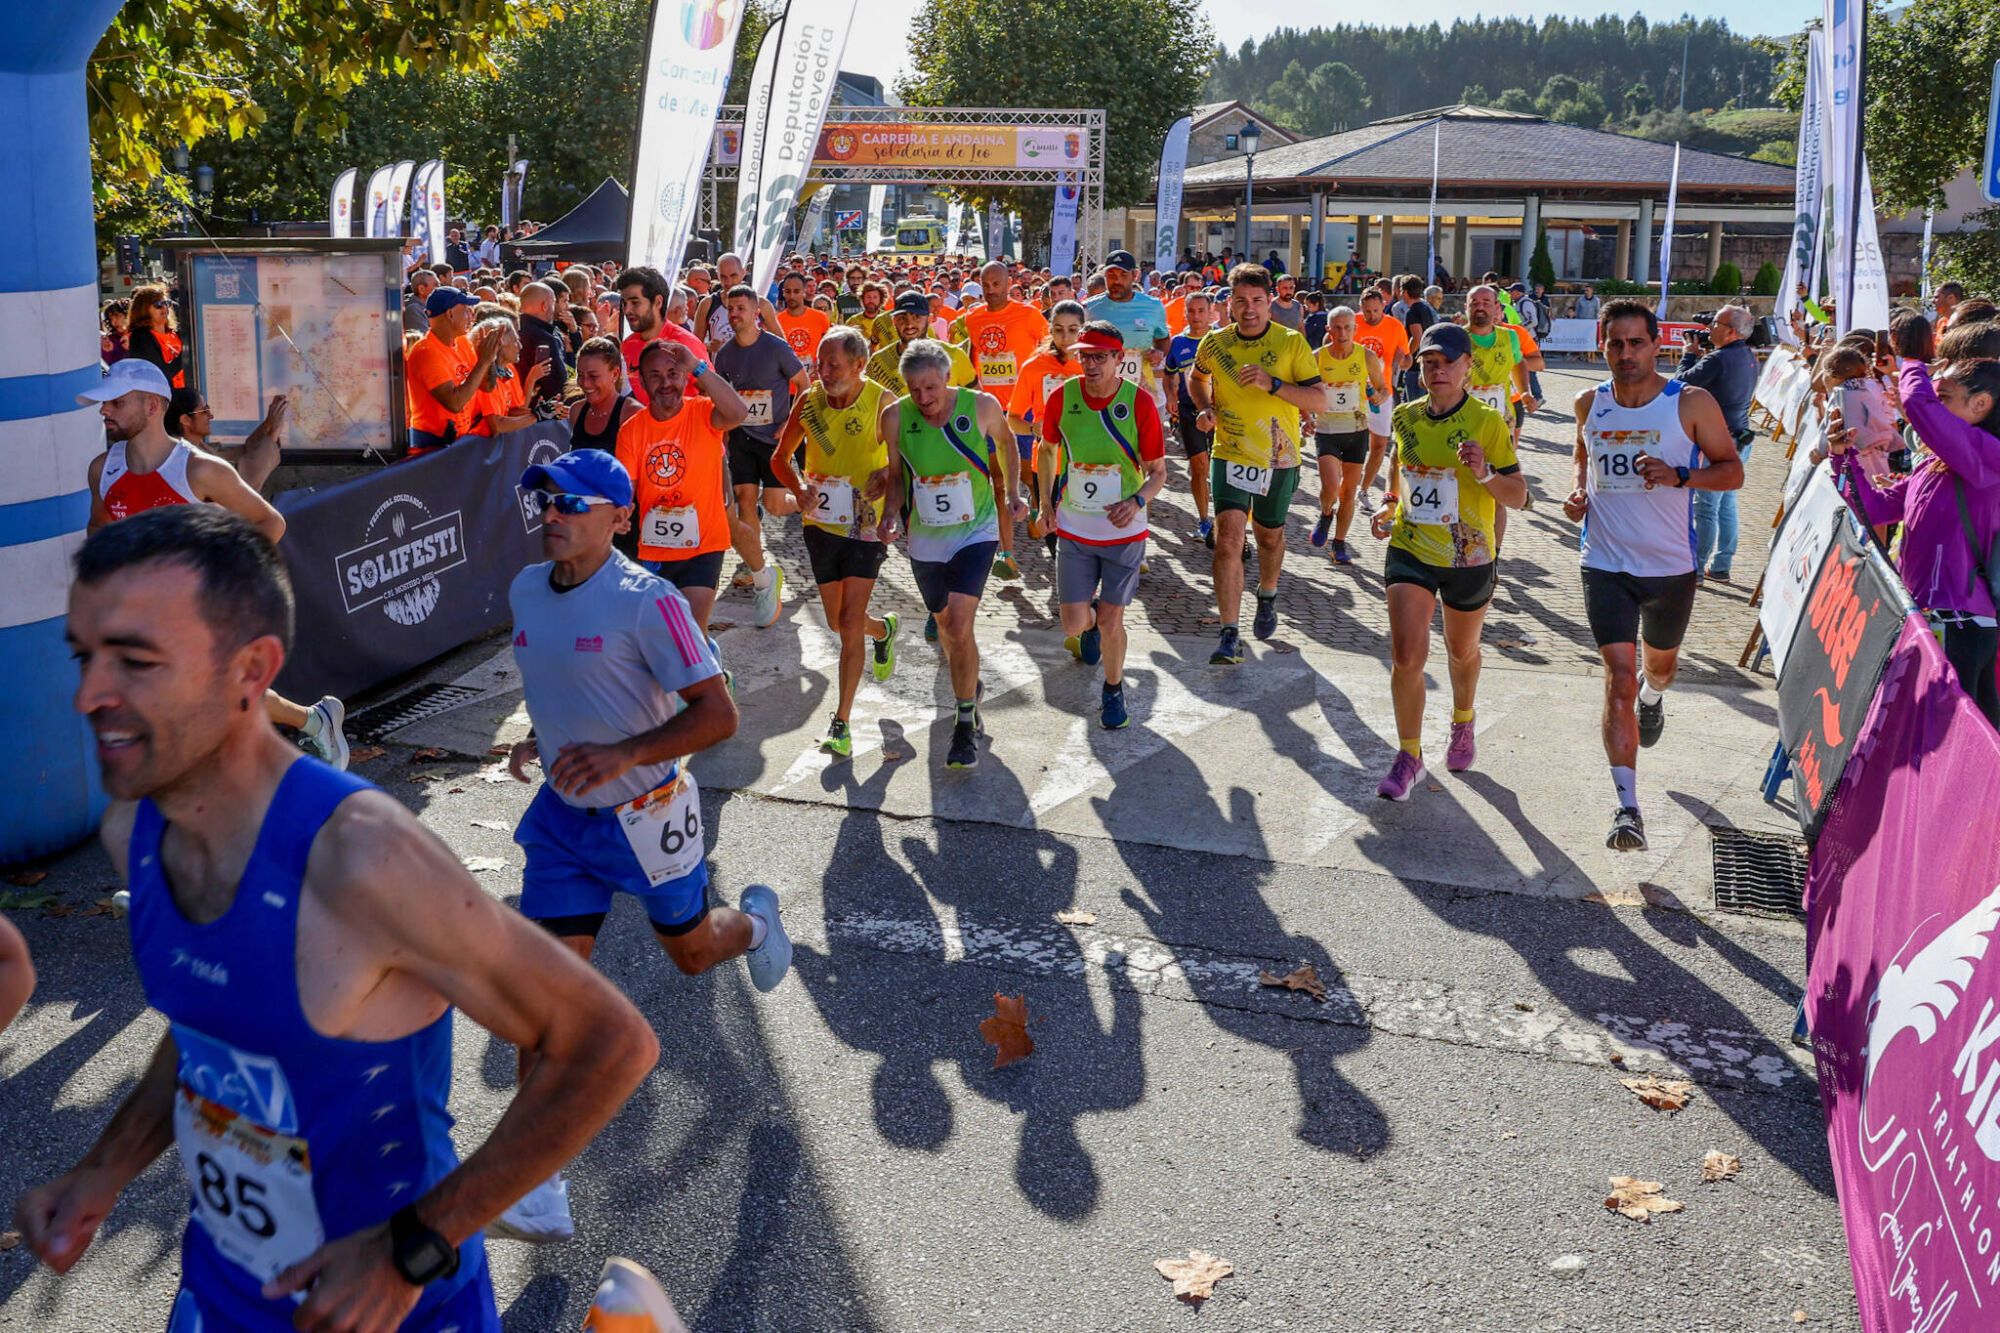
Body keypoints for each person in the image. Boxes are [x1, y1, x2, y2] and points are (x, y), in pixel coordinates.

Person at [21, 504, 658, 1331]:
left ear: (252, 670)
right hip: (223, 1296)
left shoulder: (361, 859)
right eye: (87, 657)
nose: (90, 695)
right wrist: (101, 1171)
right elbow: (214, 1021)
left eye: (136, 662)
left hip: (394, 1309)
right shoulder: (135, 824)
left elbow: (610, 1044)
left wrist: (413, 1247)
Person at [495, 450, 790, 1242]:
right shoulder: (527, 588)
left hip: (647, 817)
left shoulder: (647, 601)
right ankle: (536, 1179)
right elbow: (563, 681)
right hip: (563, 821)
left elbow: (718, 715)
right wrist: (537, 735)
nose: (553, 514)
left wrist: (624, 753)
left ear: (618, 517)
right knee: (546, 993)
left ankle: (758, 925)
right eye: (546, 501)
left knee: (692, 952)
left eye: (573, 504)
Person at [83, 358, 348, 770]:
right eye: (104, 404)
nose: (104, 411)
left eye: (116, 403)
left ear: (152, 406)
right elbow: (99, 528)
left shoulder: (200, 469)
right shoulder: (103, 469)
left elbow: (268, 522)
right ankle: (314, 721)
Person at [1563, 300, 1743, 850]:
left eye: (1635, 343)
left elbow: (1732, 471)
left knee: (1658, 669)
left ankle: (1654, 695)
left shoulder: (1689, 402)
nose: (1625, 354)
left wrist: (1681, 474)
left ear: (1657, 343)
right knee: (1615, 677)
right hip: (1604, 562)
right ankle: (1626, 808)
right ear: (1602, 345)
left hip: (1669, 567)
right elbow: (1583, 453)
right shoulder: (1587, 402)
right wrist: (1578, 491)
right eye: (1615, 344)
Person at [1369, 324, 1527, 799]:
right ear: (1418, 371)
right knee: (1405, 656)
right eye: (1429, 362)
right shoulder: (1406, 416)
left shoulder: (1487, 421)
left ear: (1467, 368)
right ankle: (1409, 755)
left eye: (1448, 362)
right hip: (1411, 547)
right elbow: (1401, 468)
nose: (1438, 370)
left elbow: (1519, 497)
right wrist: (1389, 501)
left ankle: (1462, 719)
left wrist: (1483, 474)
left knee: (1461, 652)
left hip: (1469, 555)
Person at [1827, 323, 2000, 727]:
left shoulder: (1991, 457)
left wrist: (1911, 362)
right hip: (1923, 617)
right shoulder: (1933, 463)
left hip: (1962, 626)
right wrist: (1842, 455)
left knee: (1958, 742)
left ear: (1981, 404)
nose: (1934, 410)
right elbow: (1871, 510)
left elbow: (1919, 407)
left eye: (1946, 399)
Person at [879, 340, 1024, 769]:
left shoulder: (981, 406)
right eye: (915, 389)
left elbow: (1008, 444)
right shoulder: (894, 417)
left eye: (931, 388)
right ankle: (969, 684)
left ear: (947, 378)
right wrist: (889, 513)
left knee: (959, 625)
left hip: (976, 531)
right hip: (925, 537)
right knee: (946, 626)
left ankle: (963, 723)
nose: (923, 398)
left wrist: (1014, 492)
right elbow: (894, 474)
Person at [771, 326, 900, 757]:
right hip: (820, 522)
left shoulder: (883, 403)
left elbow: (907, 463)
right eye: (819, 364)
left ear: (860, 365)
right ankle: (883, 631)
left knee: (847, 621)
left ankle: (841, 721)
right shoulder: (808, 403)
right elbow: (780, 458)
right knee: (836, 620)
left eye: (834, 365)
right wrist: (800, 485)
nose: (823, 372)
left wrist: (887, 477)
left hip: (866, 521)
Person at [1187, 264, 1325, 662]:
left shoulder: (1291, 343)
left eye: (1257, 301)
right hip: (1229, 452)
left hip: (1278, 457)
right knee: (1228, 539)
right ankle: (1230, 633)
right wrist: (1205, 406)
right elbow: (1197, 379)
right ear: (1229, 304)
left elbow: (1319, 400)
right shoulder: (1214, 344)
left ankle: (1267, 593)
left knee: (1268, 537)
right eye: (1241, 301)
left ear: (1270, 303)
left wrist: (1275, 384)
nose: (1249, 309)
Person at [1038, 323, 1168, 729]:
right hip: (1075, 527)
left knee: (1114, 621)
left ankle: (1113, 690)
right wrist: (1044, 504)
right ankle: (1090, 624)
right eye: (1084, 355)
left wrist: (1137, 501)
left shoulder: (1139, 403)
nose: (1090, 363)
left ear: (1118, 359)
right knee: (1074, 624)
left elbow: (1159, 472)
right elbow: (1046, 449)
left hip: (1123, 532)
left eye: (1099, 356)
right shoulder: (1062, 397)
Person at [615, 340, 750, 642]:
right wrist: (621, 512)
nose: (666, 383)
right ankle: (711, 673)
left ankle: (706, 682)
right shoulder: (632, 430)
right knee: (661, 636)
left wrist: (698, 367)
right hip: (654, 549)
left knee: (689, 629)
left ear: (684, 376)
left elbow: (739, 413)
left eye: (673, 374)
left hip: (704, 545)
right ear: (642, 380)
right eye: (656, 376)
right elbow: (627, 487)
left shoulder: (703, 413)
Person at [713, 285, 807, 628]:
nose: (735, 314)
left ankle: (807, 497)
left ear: (756, 312)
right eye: (730, 309)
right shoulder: (724, 355)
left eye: (741, 308)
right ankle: (759, 568)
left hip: (773, 440)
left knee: (777, 505)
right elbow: (719, 395)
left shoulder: (776, 347)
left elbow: (805, 385)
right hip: (740, 438)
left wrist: (787, 423)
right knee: (744, 501)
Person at [965, 260, 1050, 580]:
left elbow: (1049, 349)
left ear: (1009, 282)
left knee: (1028, 475)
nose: (990, 289)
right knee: (998, 482)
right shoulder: (972, 317)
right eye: (985, 284)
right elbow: (973, 356)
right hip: (990, 411)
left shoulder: (1028, 315)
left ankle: (1039, 504)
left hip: (1023, 409)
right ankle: (1007, 554)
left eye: (996, 283)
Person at [1673, 304, 1758, 581]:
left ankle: (1695, 569)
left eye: (1717, 325)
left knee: (1706, 507)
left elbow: (1679, 385)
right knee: (1726, 503)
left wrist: (1688, 356)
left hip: (1718, 443)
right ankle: (1721, 566)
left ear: (1732, 332)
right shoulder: (1748, 355)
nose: (1710, 329)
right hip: (1740, 437)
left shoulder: (1718, 359)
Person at [1308, 306, 1391, 565]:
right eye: (1337, 327)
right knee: (1331, 487)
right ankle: (1325, 513)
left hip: (1356, 431)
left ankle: (1339, 543)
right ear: (1328, 330)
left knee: (1348, 492)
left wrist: (1379, 396)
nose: (1342, 333)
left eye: (1348, 327)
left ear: (1355, 330)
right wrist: (1305, 417)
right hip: (1327, 431)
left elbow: (1383, 388)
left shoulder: (1366, 357)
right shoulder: (1317, 357)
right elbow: (1303, 391)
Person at [1007, 299, 1086, 557]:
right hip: (1049, 462)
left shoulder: (1092, 364)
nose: (1066, 337)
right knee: (1053, 533)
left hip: (1088, 459)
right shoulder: (1034, 367)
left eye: (1073, 330)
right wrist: (1033, 428)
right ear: (1050, 330)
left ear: (1082, 330)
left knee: (1088, 531)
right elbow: (1013, 418)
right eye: (1059, 329)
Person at [406, 287, 501, 453]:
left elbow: (487, 386)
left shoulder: (463, 342)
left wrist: (489, 358)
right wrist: (484, 361)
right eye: (466, 312)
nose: (472, 317)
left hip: (457, 440)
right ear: (450, 314)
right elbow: (455, 403)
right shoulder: (427, 351)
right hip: (431, 447)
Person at [1084, 250, 1171, 413]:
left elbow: (1163, 339)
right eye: (1111, 275)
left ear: (1135, 276)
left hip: (1142, 388)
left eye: (1123, 275)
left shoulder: (1153, 306)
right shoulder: (1089, 308)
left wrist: (1159, 352)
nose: (1116, 281)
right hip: (1100, 391)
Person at [1352, 285, 1412, 513]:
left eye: (1376, 311)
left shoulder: (1395, 326)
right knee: (1352, 443)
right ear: (1361, 308)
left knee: (1378, 445)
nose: (1371, 316)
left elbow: (1407, 360)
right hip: (1353, 393)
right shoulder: (1354, 323)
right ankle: (1346, 486)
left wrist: (1403, 361)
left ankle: (1364, 490)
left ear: (1383, 306)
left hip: (1382, 392)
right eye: (1367, 311)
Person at [166, 386, 289, 492]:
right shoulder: (189, 459)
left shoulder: (196, 447)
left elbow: (243, 453)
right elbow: (244, 482)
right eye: (204, 411)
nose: (210, 416)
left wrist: (269, 423)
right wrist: (273, 433)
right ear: (185, 420)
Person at [616, 266, 705, 408]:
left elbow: (711, 393)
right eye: (624, 303)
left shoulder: (684, 342)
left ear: (658, 302)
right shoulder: (628, 345)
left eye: (635, 302)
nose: (627, 310)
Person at [516, 281, 570, 409]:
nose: (554, 308)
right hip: (538, 413)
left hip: (510, 406)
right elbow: (558, 385)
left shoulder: (511, 330)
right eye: (553, 303)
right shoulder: (545, 338)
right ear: (544, 306)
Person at [126, 285, 186, 390]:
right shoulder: (140, 337)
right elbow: (159, 375)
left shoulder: (177, 333)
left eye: (166, 303)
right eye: (158, 304)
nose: (164, 308)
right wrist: (186, 356)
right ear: (144, 309)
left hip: (188, 396)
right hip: (165, 399)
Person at [774, 271, 831, 369]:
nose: (792, 296)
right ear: (783, 293)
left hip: (815, 381)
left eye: (796, 291)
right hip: (787, 381)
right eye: (788, 291)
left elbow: (829, 349)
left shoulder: (820, 318)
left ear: (804, 292)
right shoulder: (777, 321)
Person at [1399, 275, 1438, 402]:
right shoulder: (1426, 308)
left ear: (1405, 292)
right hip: (1426, 364)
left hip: (1415, 368)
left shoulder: (1413, 311)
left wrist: (1407, 355)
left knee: (1414, 408)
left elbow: (1417, 337)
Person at [404, 269, 437, 337]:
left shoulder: (430, 307)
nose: (440, 289)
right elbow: (425, 339)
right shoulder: (414, 310)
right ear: (422, 289)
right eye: (436, 285)